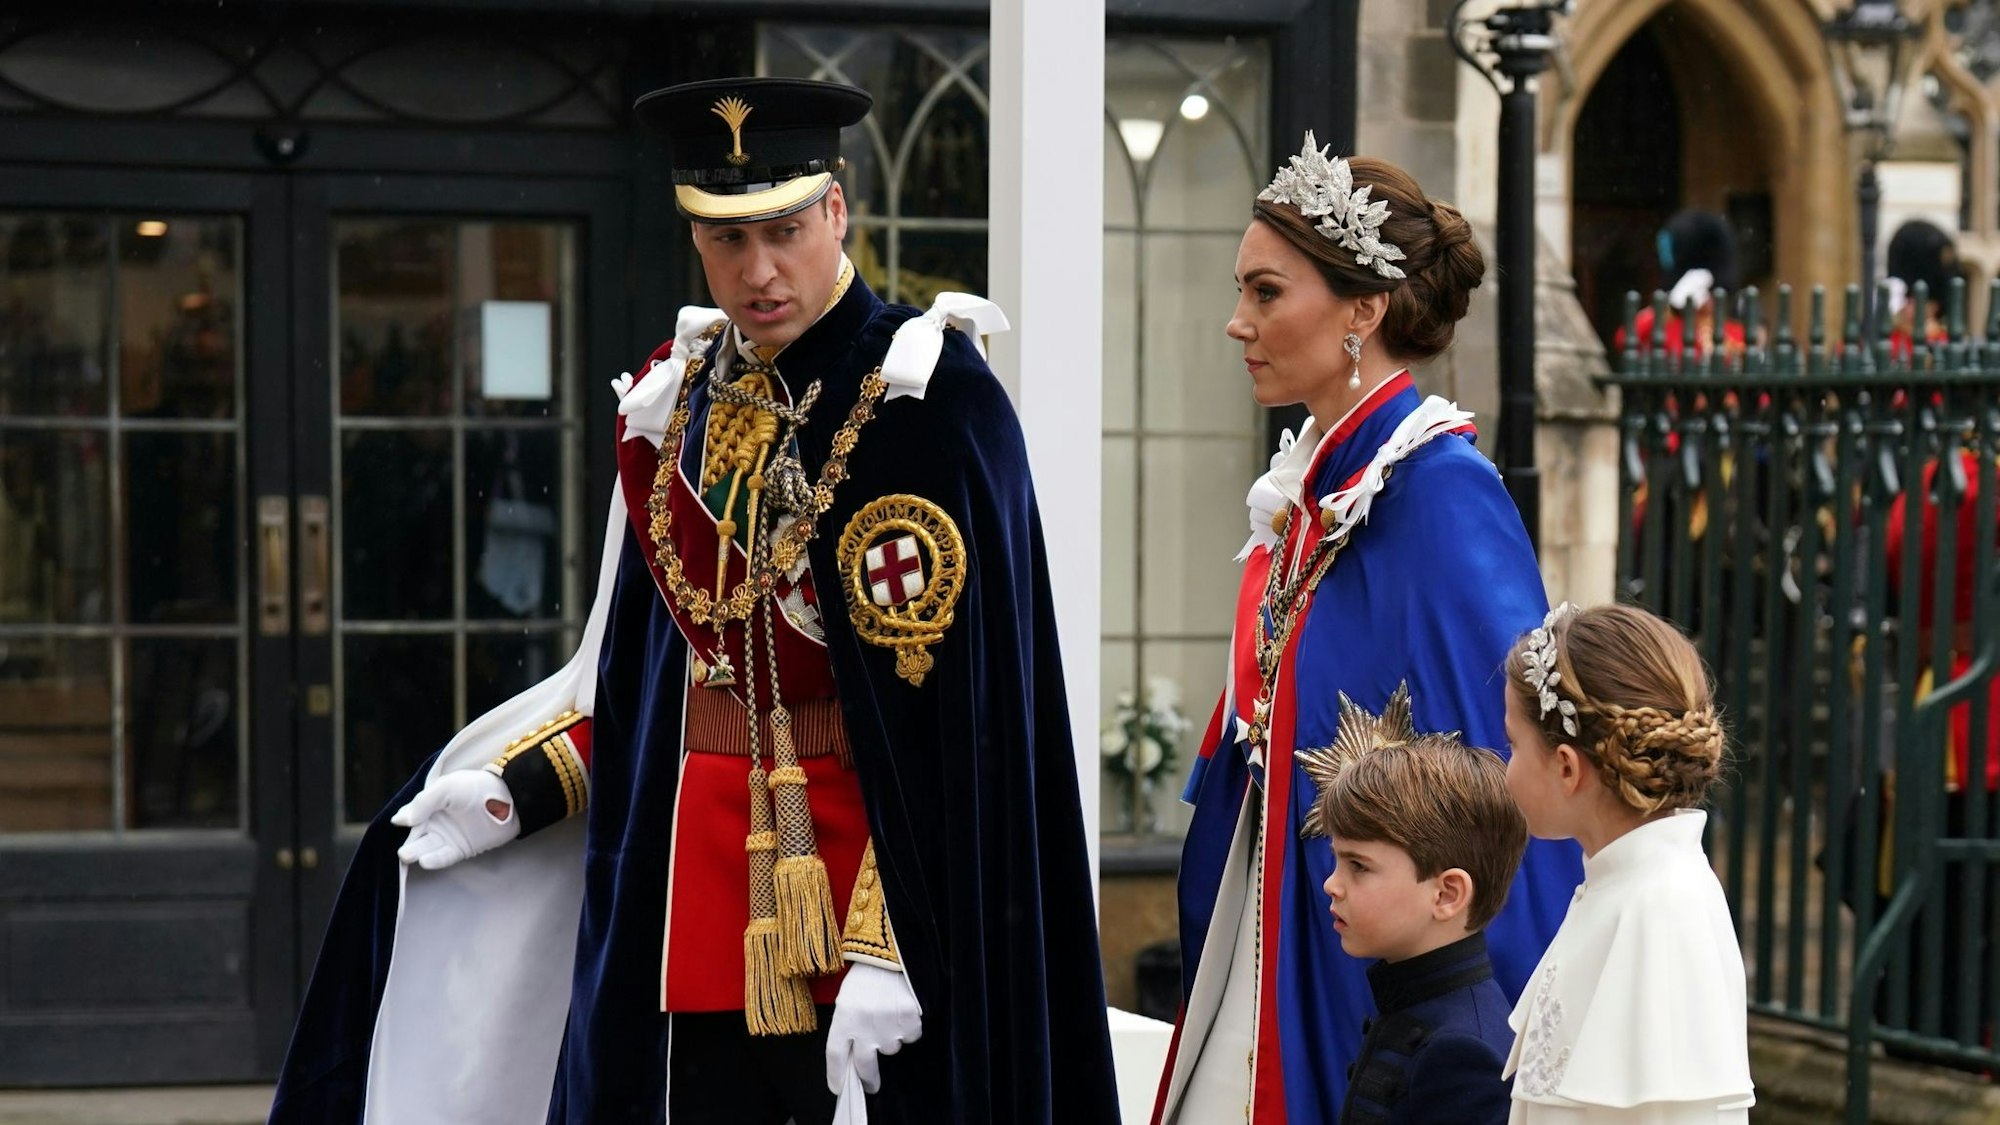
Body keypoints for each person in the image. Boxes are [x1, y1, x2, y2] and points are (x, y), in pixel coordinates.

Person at [267, 76, 1120, 1125]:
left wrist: (888, 945)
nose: (756, 273)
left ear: (837, 211)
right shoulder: (680, 401)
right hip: (684, 894)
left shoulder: (927, 403)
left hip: (877, 899)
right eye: (724, 240)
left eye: (783, 230)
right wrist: (517, 794)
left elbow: (967, 737)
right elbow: (647, 675)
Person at [1150, 135, 1581, 1124]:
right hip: (1281, 925)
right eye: (1241, 292)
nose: (1236, 322)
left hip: (1369, 971)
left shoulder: (1433, 491)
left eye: (1265, 293)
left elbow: (1509, 769)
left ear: (1361, 310)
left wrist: (1517, 1035)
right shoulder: (1316, 485)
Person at [1499, 602, 1754, 1122]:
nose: (1506, 768)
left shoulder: (1659, 911)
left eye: (1513, 745)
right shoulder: (1620, 885)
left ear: (1567, 768)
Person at [1303, 686, 1527, 1125]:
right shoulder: (1410, 1005)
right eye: (1336, 860)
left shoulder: (1463, 1052)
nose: (1332, 884)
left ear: (1446, 894)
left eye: (1358, 866)